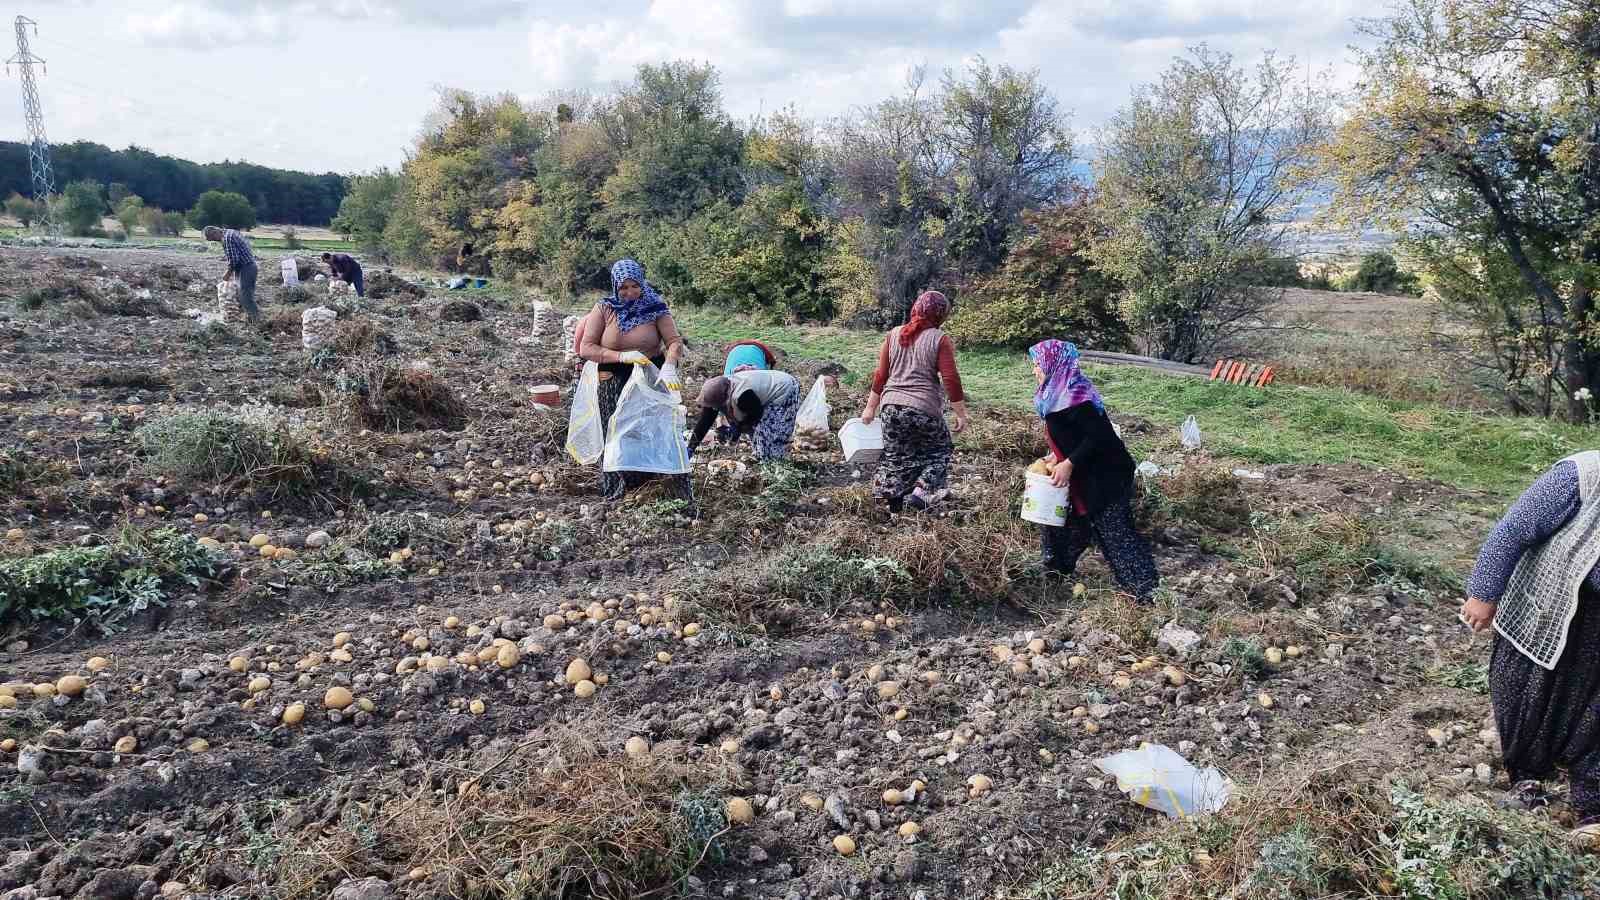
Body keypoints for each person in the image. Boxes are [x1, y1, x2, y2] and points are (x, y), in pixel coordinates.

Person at [1461, 451, 1600, 847]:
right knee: (1524, 692)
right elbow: (1513, 531)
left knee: (1595, 711)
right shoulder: (1581, 476)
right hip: (1544, 606)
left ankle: (1594, 807)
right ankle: (1527, 780)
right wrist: (1484, 593)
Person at [1026, 339, 1158, 602]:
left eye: (1038, 365)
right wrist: (1057, 455)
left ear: (1054, 364)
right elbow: (1075, 436)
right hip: (1086, 477)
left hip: (1107, 477)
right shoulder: (1056, 395)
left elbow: (1100, 437)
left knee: (1114, 533)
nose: (1035, 371)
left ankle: (1147, 591)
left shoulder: (1077, 397)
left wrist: (1069, 463)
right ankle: (1055, 572)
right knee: (1064, 525)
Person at [577, 259, 692, 509]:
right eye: (623, 288)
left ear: (642, 283)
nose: (629, 293)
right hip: (614, 374)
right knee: (616, 429)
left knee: (652, 427)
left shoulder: (655, 306)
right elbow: (587, 348)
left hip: (650, 374)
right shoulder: (604, 308)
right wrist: (621, 356)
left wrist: (670, 365)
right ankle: (615, 488)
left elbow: (674, 341)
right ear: (615, 286)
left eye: (634, 286)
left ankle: (655, 478)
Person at [860, 290, 969, 513]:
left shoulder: (893, 334)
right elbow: (950, 378)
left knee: (897, 457)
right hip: (922, 408)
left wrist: (870, 407)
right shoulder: (939, 338)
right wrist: (960, 414)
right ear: (940, 314)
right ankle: (921, 490)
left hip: (890, 408)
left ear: (916, 308)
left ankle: (893, 503)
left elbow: (881, 375)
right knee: (940, 451)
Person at [688, 370, 801, 461]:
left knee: (771, 434)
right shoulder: (718, 390)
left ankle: (775, 463)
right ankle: (762, 456)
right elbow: (705, 421)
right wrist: (690, 448)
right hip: (764, 393)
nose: (713, 409)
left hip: (785, 389)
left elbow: (757, 414)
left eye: (716, 406)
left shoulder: (742, 396)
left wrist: (739, 427)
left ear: (724, 399)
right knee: (758, 434)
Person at [202, 225, 259, 323]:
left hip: (246, 268)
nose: (215, 241)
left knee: (245, 297)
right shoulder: (231, 232)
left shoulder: (227, 238)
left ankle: (257, 321)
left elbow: (234, 260)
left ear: (215, 233)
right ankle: (250, 318)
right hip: (246, 267)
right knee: (242, 295)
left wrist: (228, 273)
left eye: (212, 239)